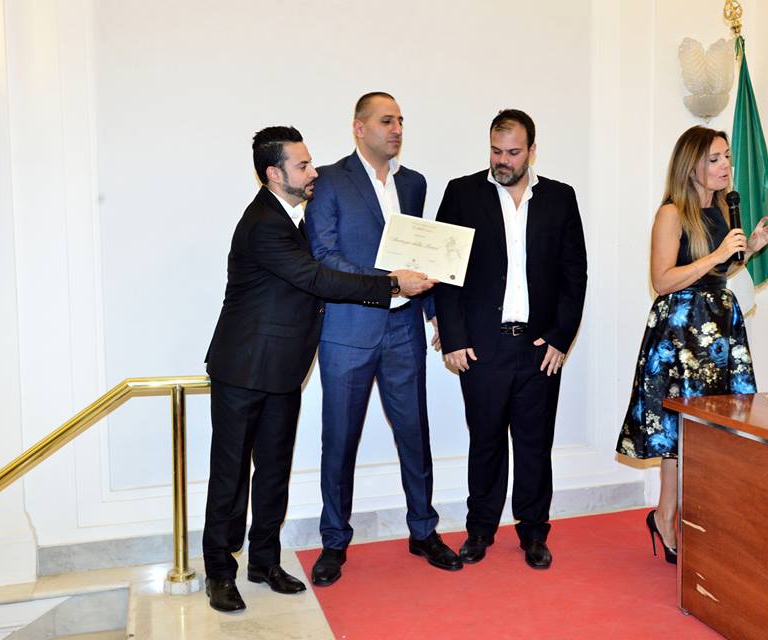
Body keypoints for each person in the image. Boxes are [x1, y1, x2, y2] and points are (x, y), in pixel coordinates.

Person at [203, 126, 435, 612]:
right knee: (230, 477)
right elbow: (316, 278)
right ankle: (219, 573)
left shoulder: (293, 219)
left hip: (284, 370)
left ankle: (264, 563)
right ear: (275, 173)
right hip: (243, 369)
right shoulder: (264, 223)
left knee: (273, 473)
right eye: (303, 165)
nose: (314, 172)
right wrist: (392, 284)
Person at [305, 92, 460, 586]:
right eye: (386, 121)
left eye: (400, 122)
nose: (396, 129)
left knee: (415, 433)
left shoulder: (414, 183)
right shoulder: (328, 180)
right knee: (339, 439)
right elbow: (324, 256)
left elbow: (422, 257)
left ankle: (423, 531)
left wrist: (434, 313)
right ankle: (334, 541)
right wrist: (390, 283)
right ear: (359, 127)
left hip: (403, 330)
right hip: (347, 331)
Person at [434, 109, 588, 569]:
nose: (503, 160)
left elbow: (574, 274)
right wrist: (453, 337)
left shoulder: (560, 197)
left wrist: (560, 337)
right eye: (496, 151)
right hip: (482, 346)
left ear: (532, 151)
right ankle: (479, 530)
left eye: (513, 152)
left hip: (539, 348)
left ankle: (534, 533)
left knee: (535, 445)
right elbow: (445, 272)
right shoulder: (461, 193)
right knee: (485, 443)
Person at [615, 126, 768, 563]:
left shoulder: (723, 208)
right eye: (715, 159)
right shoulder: (672, 213)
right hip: (681, 331)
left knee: (708, 430)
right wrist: (717, 254)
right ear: (692, 166)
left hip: (719, 327)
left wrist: (749, 249)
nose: (726, 167)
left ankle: (683, 517)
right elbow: (662, 279)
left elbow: (718, 273)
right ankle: (667, 517)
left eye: (727, 157)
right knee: (678, 432)